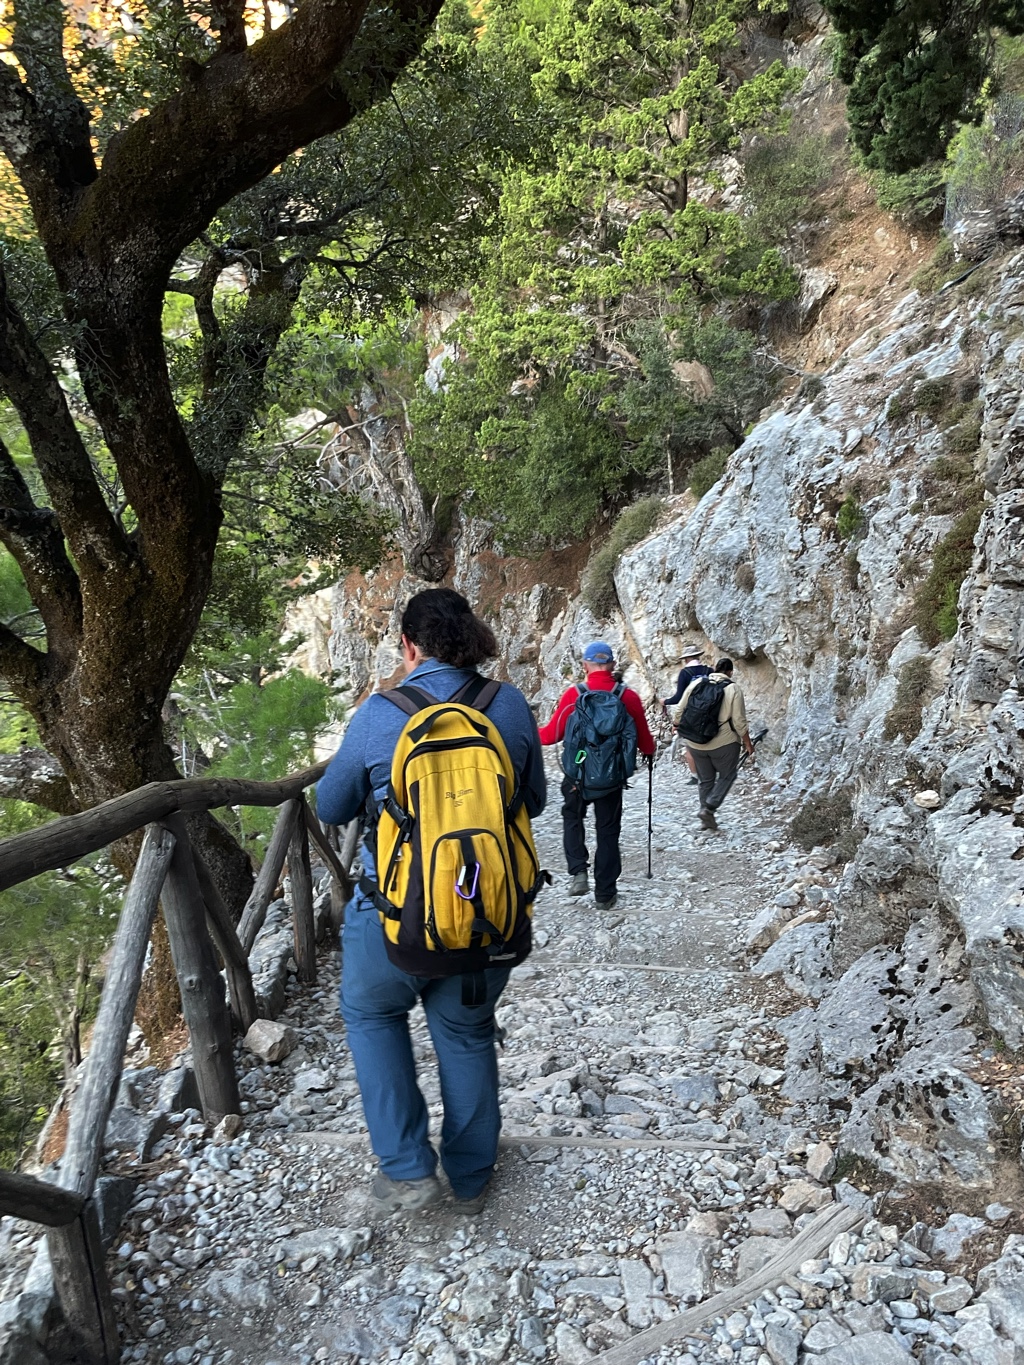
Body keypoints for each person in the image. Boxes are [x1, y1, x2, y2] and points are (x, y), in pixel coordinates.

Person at [317, 589, 546, 1217]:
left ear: (408, 645)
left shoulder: (377, 714)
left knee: (372, 1018)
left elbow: (331, 807)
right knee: (466, 1033)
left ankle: (407, 1169)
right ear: (471, 637)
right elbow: (536, 800)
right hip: (485, 918)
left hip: (391, 919)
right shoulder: (509, 706)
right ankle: (471, 1179)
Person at [539, 641, 655, 911]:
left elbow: (552, 735)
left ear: (585, 665)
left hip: (577, 775)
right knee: (608, 832)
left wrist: (525, 732)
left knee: (572, 818)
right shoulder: (628, 696)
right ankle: (605, 893)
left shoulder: (574, 694)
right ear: (613, 665)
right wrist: (649, 752)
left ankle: (578, 871)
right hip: (610, 778)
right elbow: (645, 742)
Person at [673, 657, 754, 831]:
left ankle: (705, 819)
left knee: (705, 780)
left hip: (695, 743)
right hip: (723, 744)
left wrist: (677, 727)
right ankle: (709, 807)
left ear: (714, 670)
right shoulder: (733, 689)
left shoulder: (697, 684)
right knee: (728, 775)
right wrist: (748, 743)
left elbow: (679, 710)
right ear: (730, 672)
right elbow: (739, 722)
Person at [661, 643, 711, 782]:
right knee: (709, 743)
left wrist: (665, 701)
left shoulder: (685, 673)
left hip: (691, 714)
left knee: (690, 746)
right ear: (698, 656)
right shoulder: (709, 670)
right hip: (710, 712)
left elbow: (679, 698)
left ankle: (695, 776)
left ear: (686, 659)